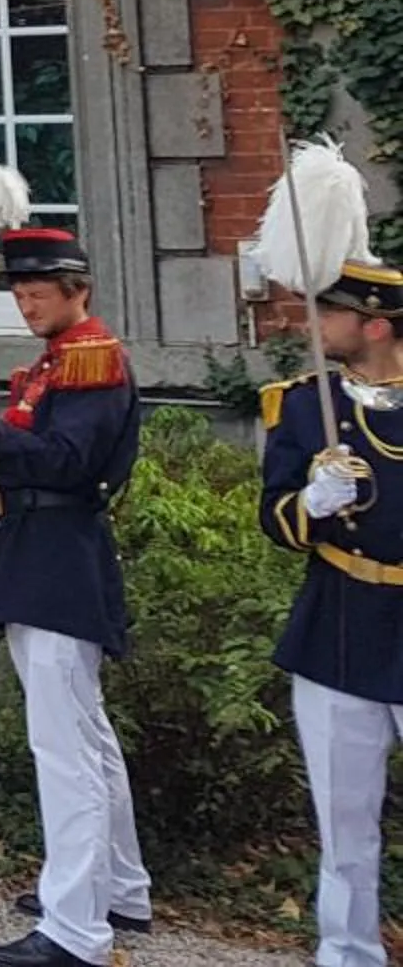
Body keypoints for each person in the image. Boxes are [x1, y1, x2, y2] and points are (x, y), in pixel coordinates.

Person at [0, 169, 148, 967]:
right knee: (86, 734)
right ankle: (117, 886)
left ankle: (76, 926)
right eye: (17, 288)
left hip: (59, 563)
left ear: (73, 287)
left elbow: (67, 462)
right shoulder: (54, 361)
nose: (24, 299)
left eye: (37, 287)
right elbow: (34, 468)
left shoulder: (90, 359)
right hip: (37, 553)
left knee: (65, 749)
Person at [258, 253, 403, 967]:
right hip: (340, 622)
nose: (314, 325)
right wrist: (312, 505)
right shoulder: (308, 402)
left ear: (374, 324)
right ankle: (346, 955)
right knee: (346, 826)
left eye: (332, 313)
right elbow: (273, 517)